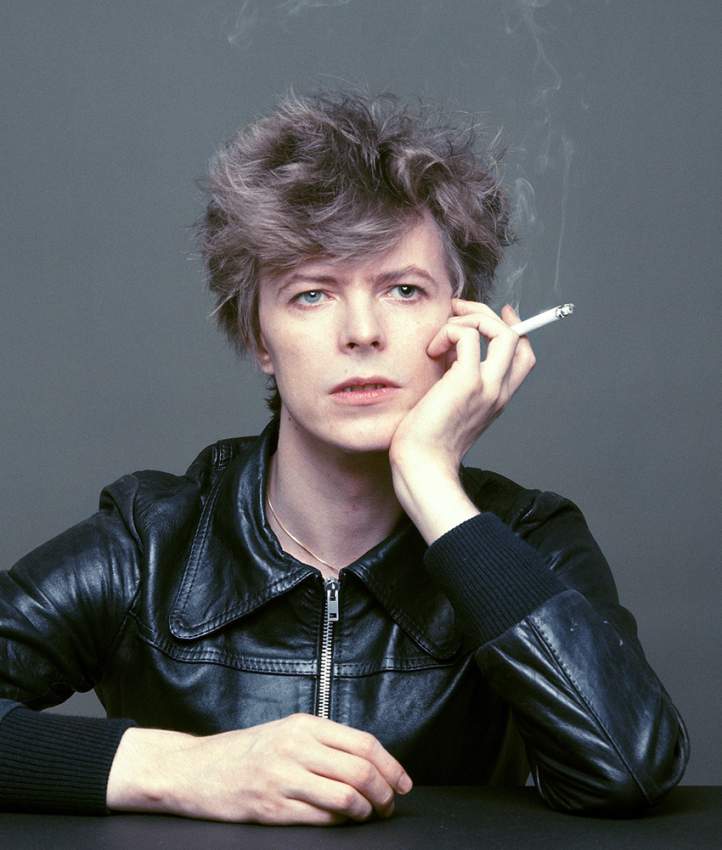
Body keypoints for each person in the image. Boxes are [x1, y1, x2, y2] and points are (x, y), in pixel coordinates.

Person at [0, 88, 689, 825]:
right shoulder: (151, 542)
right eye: (311, 295)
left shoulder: (526, 539)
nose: (362, 331)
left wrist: (432, 484)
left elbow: (630, 769)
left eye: (404, 289)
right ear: (259, 338)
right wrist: (186, 768)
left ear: (464, 323)